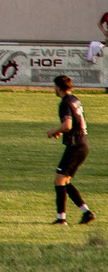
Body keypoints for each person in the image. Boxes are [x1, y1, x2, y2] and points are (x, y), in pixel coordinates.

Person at [48, 73, 92, 225]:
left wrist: (54, 131)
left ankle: (61, 219)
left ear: (59, 88)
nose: (54, 89)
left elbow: (67, 125)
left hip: (75, 146)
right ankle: (86, 212)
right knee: (64, 181)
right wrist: (61, 131)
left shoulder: (65, 102)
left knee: (59, 181)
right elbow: (74, 123)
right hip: (82, 145)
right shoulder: (75, 100)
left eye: (55, 87)